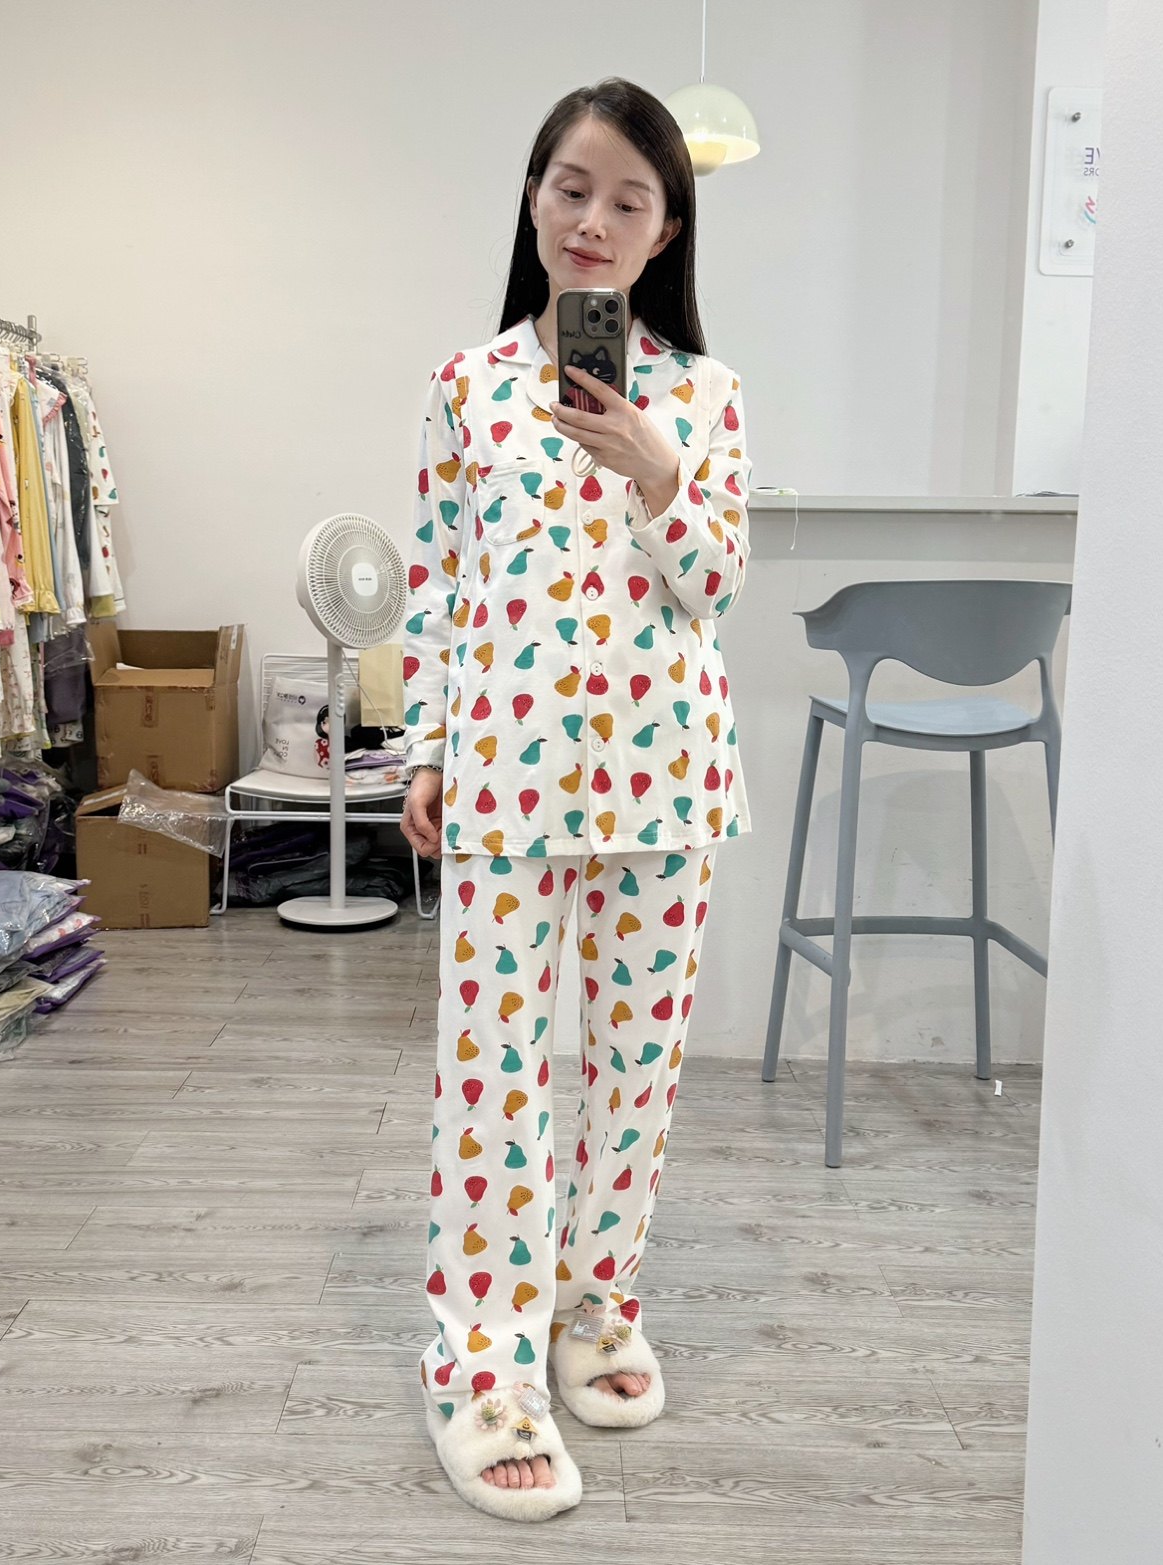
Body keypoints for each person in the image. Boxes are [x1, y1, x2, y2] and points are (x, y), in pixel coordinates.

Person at [400, 75, 753, 1521]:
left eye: (629, 199)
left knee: (635, 1072)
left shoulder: (707, 397)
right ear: (533, 198)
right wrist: (424, 748)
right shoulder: (467, 387)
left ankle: (597, 1302)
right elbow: (437, 584)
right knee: (492, 1079)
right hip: (505, 778)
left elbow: (714, 587)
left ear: (668, 230)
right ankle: (483, 1360)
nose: (594, 219)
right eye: (572, 187)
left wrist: (662, 472)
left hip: (667, 781)